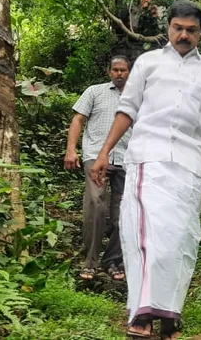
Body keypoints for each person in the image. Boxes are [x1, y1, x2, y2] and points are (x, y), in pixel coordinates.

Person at [89, 0, 201, 340]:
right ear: (168, 28)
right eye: (178, 28)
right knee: (144, 236)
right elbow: (127, 109)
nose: (184, 35)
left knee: (180, 238)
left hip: (189, 164)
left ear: (200, 33)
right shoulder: (148, 64)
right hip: (147, 159)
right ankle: (142, 311)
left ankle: (169, 312)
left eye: (191, 30)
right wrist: (104, 152)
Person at [64, 56, 132, 282]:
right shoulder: (94, 91)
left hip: (127, 159)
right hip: (95, 156)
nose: (119, 73)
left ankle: (112, 260)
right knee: (95, 205)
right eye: (115, 69)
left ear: (129, 72)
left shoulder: (137, 97)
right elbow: (78, 120)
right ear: (109, 71)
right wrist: (71, 150)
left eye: (123, 70)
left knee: (124, 212)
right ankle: (90, 261)